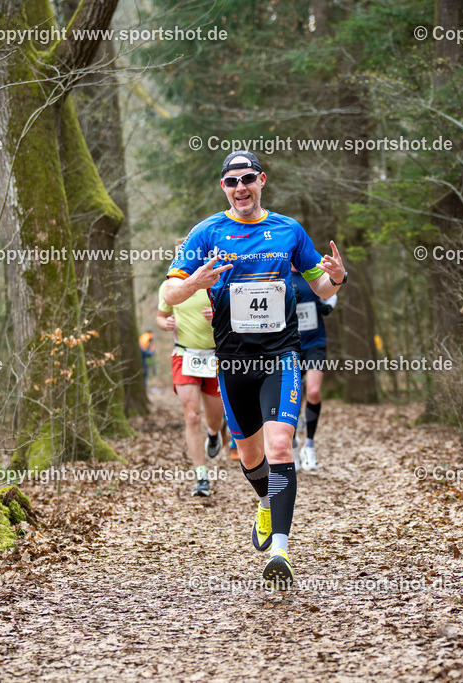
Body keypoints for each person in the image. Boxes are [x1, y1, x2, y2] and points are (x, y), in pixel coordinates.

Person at [161, 150, 347, 589]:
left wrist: (336, 277)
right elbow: (170, 291)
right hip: (233, 360)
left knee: (280, 444)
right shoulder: (207, 231)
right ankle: (266, 500)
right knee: (249, 455)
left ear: (261, 180)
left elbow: (319, 282)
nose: (240, 187)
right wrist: (193, 284)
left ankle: (280, 550)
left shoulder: (288, 230)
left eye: (247, 178)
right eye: (231, 181)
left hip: (280, 355)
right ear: (223, 187)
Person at [156, 245, 227, 497]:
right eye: (178, 255)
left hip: (214, 356)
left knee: (214, 419)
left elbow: (233, 317)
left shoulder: (214, 281)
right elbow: (161, 316)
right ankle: (201, 477)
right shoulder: (170, 287)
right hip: (184, 353)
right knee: (191, 415)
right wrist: (166, 323)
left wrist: (217, 317)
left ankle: (214, 433)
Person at [288, 267, 336, 471]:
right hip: (289, 344)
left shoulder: (313, 270)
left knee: (314, 392)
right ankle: (292, 445)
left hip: (315, 342)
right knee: (293, 397)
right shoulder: (281, 272)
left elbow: (333, 288)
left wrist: (328, 306)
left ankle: (310, 444)